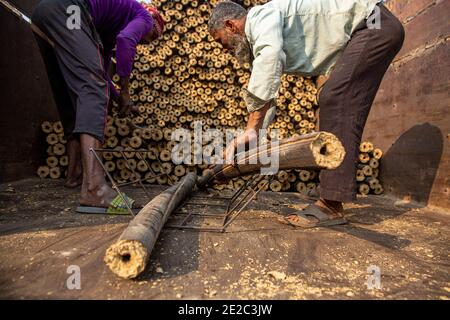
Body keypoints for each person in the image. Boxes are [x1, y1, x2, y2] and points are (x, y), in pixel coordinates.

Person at [208, 0, 404, 227]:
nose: (224, 49)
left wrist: (252, 129)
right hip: (372, 28)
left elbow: (270, 60)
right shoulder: (260, 38)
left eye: (219, 40)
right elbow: (268, 88)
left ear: (230, 25)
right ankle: (331, 188)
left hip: (375, 24)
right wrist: (256, 134)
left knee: (336, 98)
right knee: (332, 97)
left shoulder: (260, 17)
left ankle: (331, 204)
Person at [32, 0, 164, 213]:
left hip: (45, 13)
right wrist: (126, 92)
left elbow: (100, 71)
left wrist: (116, 95)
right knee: (92, 89)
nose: (144, 42)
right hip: (69, 9)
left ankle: (73, 175)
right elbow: (126, 40)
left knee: (74, 93)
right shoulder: (147, 17)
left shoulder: (107, 27)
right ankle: (95, 189)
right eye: (148, 39)